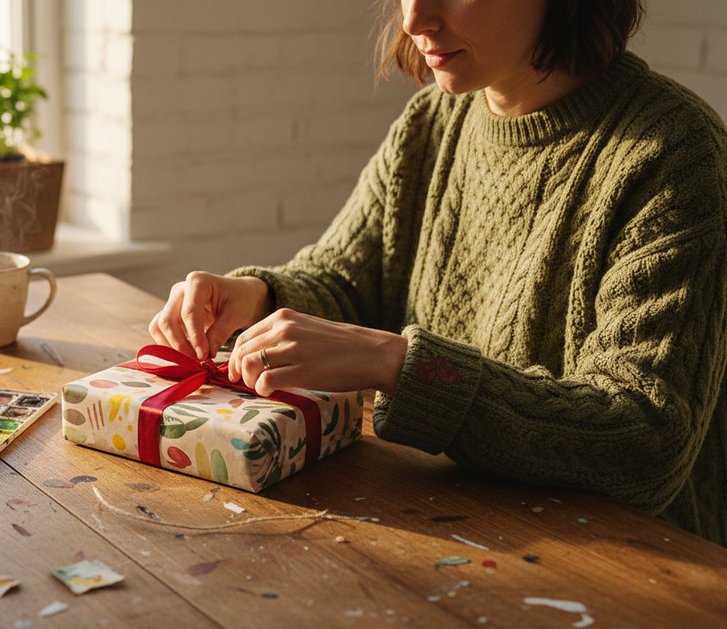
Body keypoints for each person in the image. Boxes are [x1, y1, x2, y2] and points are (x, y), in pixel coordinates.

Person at [149, 0, 727, 547]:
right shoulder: (434, 120)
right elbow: (350, 280)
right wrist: (259, 296)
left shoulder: (674, 153)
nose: (414, 18)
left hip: (630, 564)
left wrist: (397, 365)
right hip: (444, 516)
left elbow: (645, 443)